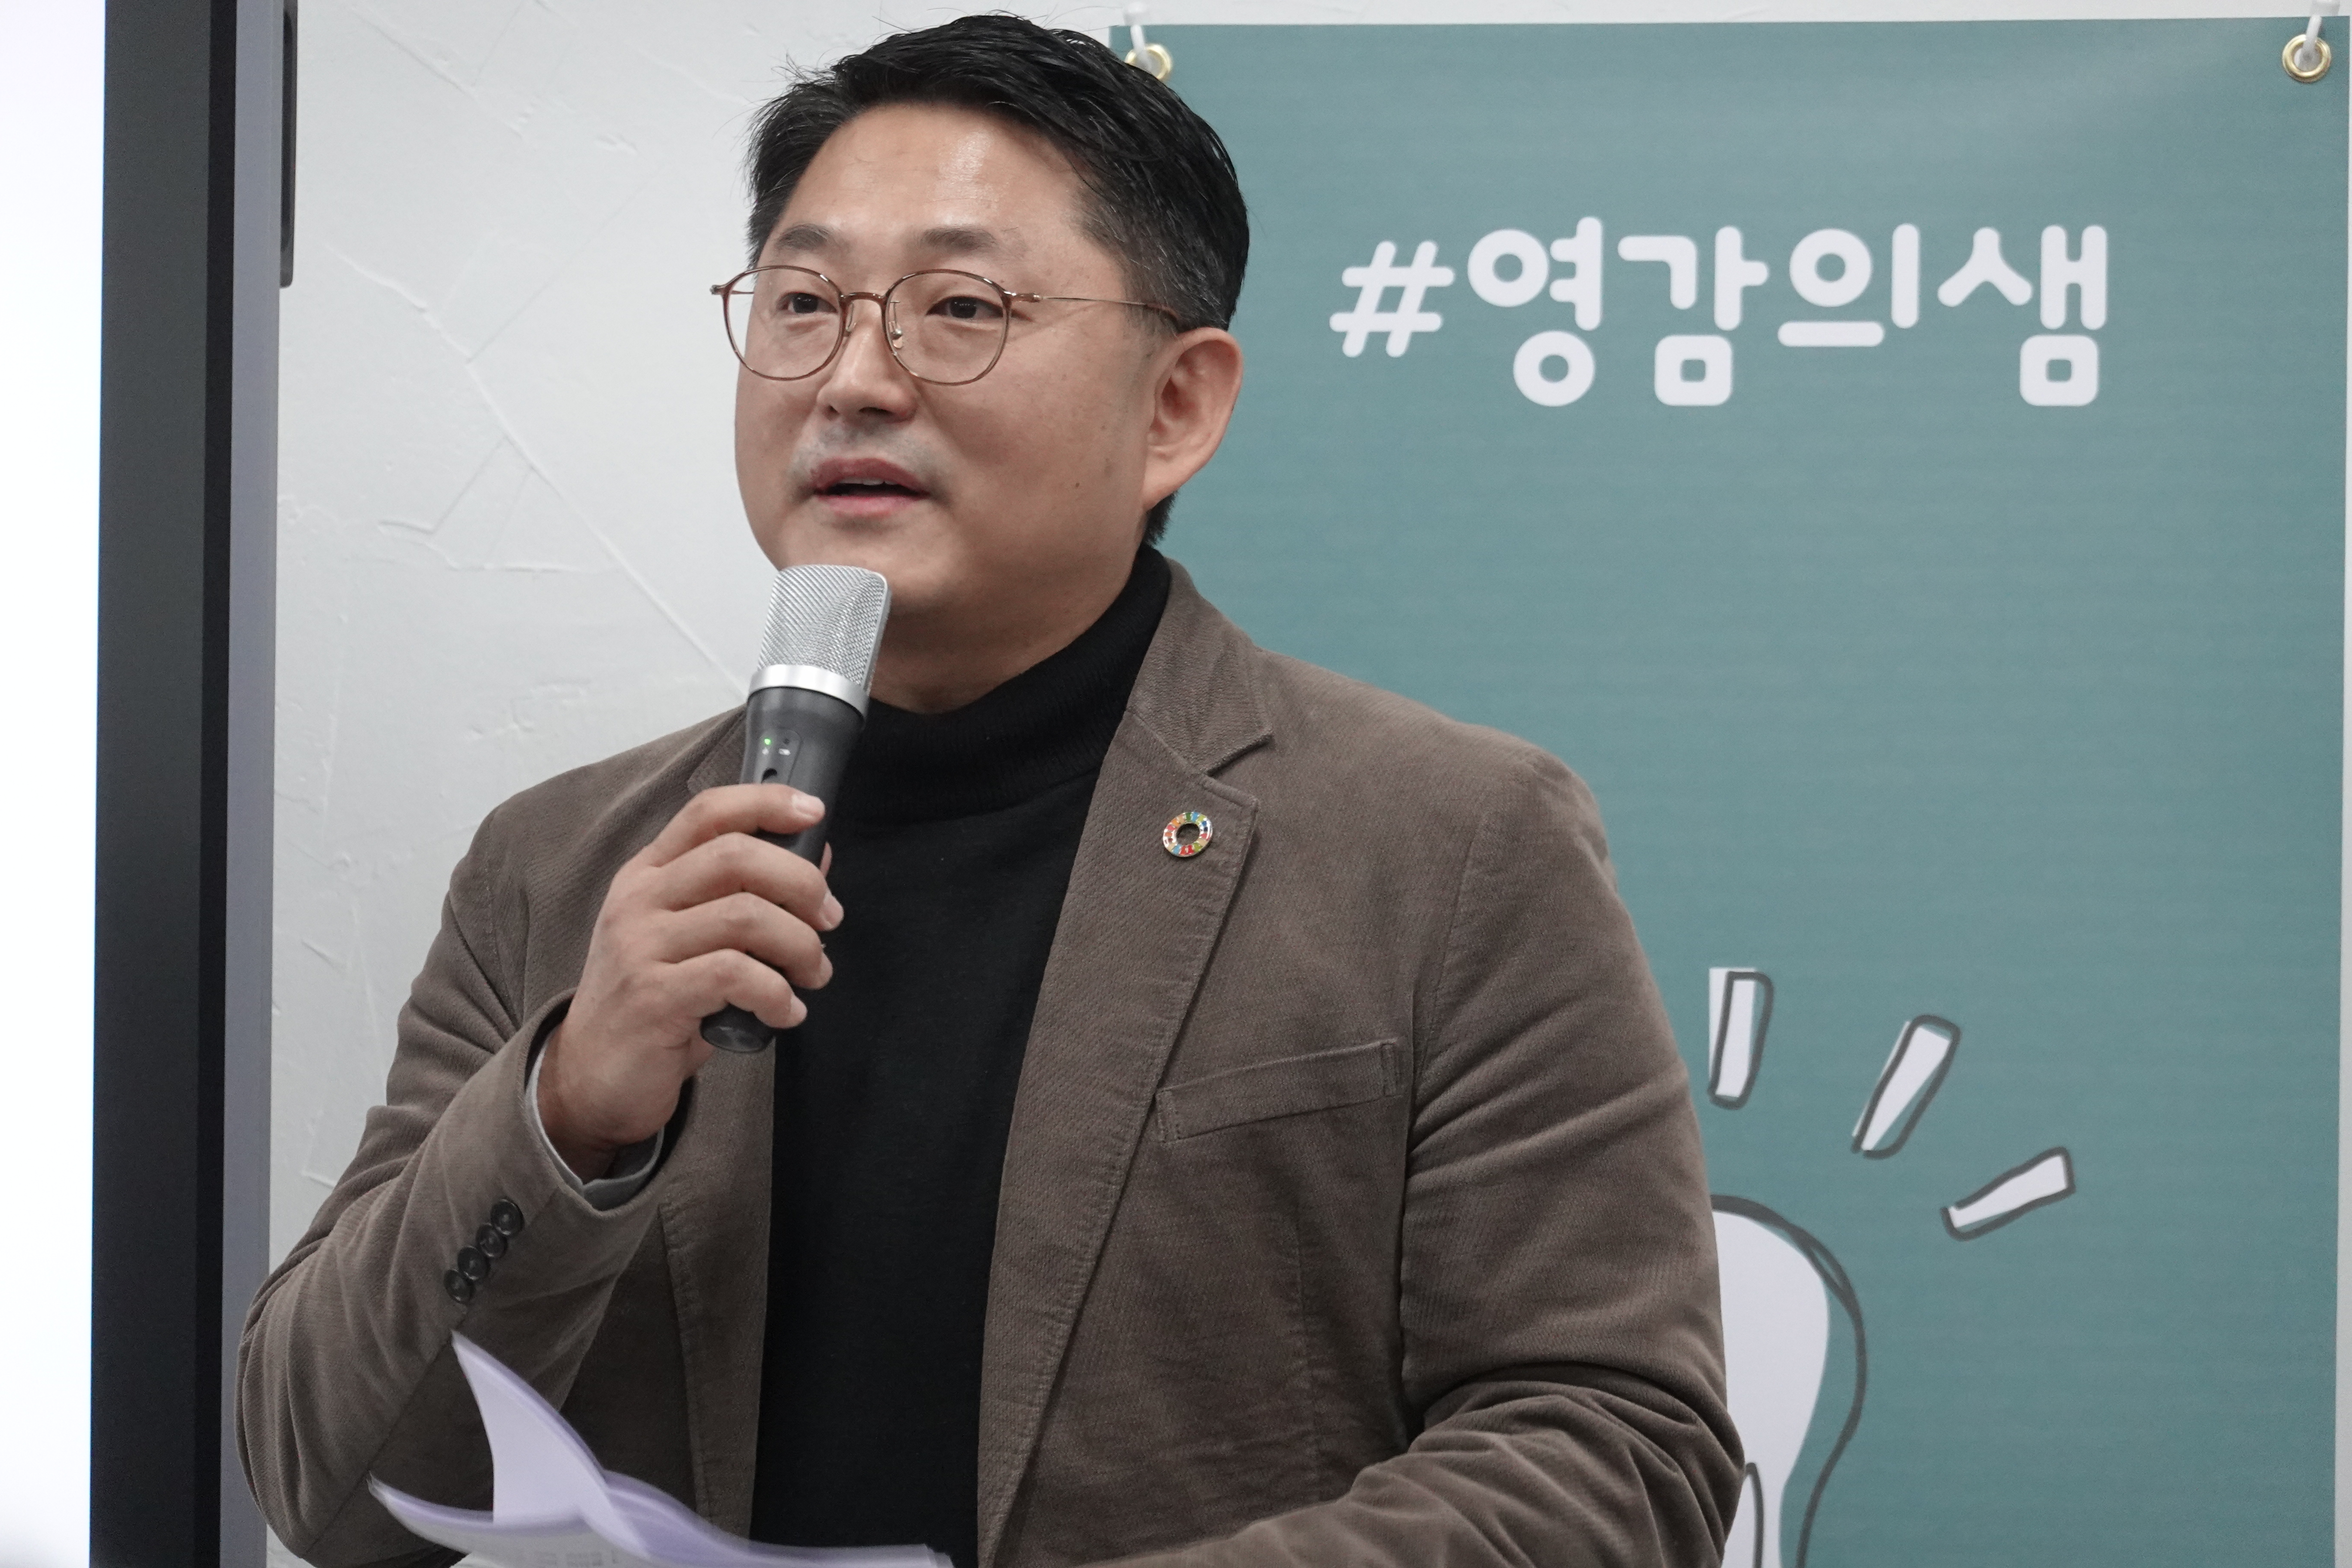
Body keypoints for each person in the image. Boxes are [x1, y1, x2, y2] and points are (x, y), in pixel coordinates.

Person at [238, 16, 1740, 1568]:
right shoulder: (561, 869)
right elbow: (328, 1491)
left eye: (959, 308)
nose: (854, 379)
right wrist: (566, 1111)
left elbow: (1616, 1458)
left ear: (1176, 407)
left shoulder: (1449, 846)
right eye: (803, 304)